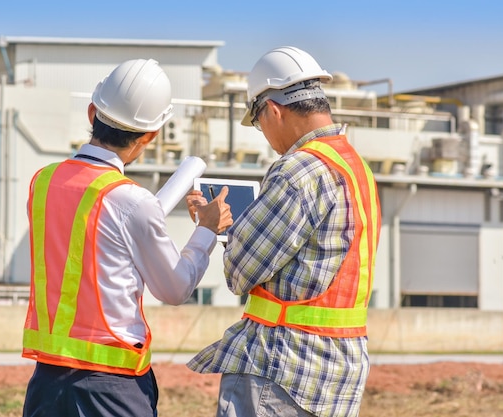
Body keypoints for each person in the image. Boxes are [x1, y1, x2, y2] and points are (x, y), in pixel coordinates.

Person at [21, 58, 233, 417]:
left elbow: (91, 245)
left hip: (47, 381)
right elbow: (174, 289)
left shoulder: (42, 181)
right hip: (111, 387)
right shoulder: (132, 201)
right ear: (151, 135)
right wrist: (206, 231)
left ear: (92, 113)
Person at [186, 46, 382, 417]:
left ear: (273, 110)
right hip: (336, 371)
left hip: (283, 370)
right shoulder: (355, 168)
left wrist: (214, 228)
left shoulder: (298, 170)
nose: (264, 134)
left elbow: (240, 272)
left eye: (259, 123)